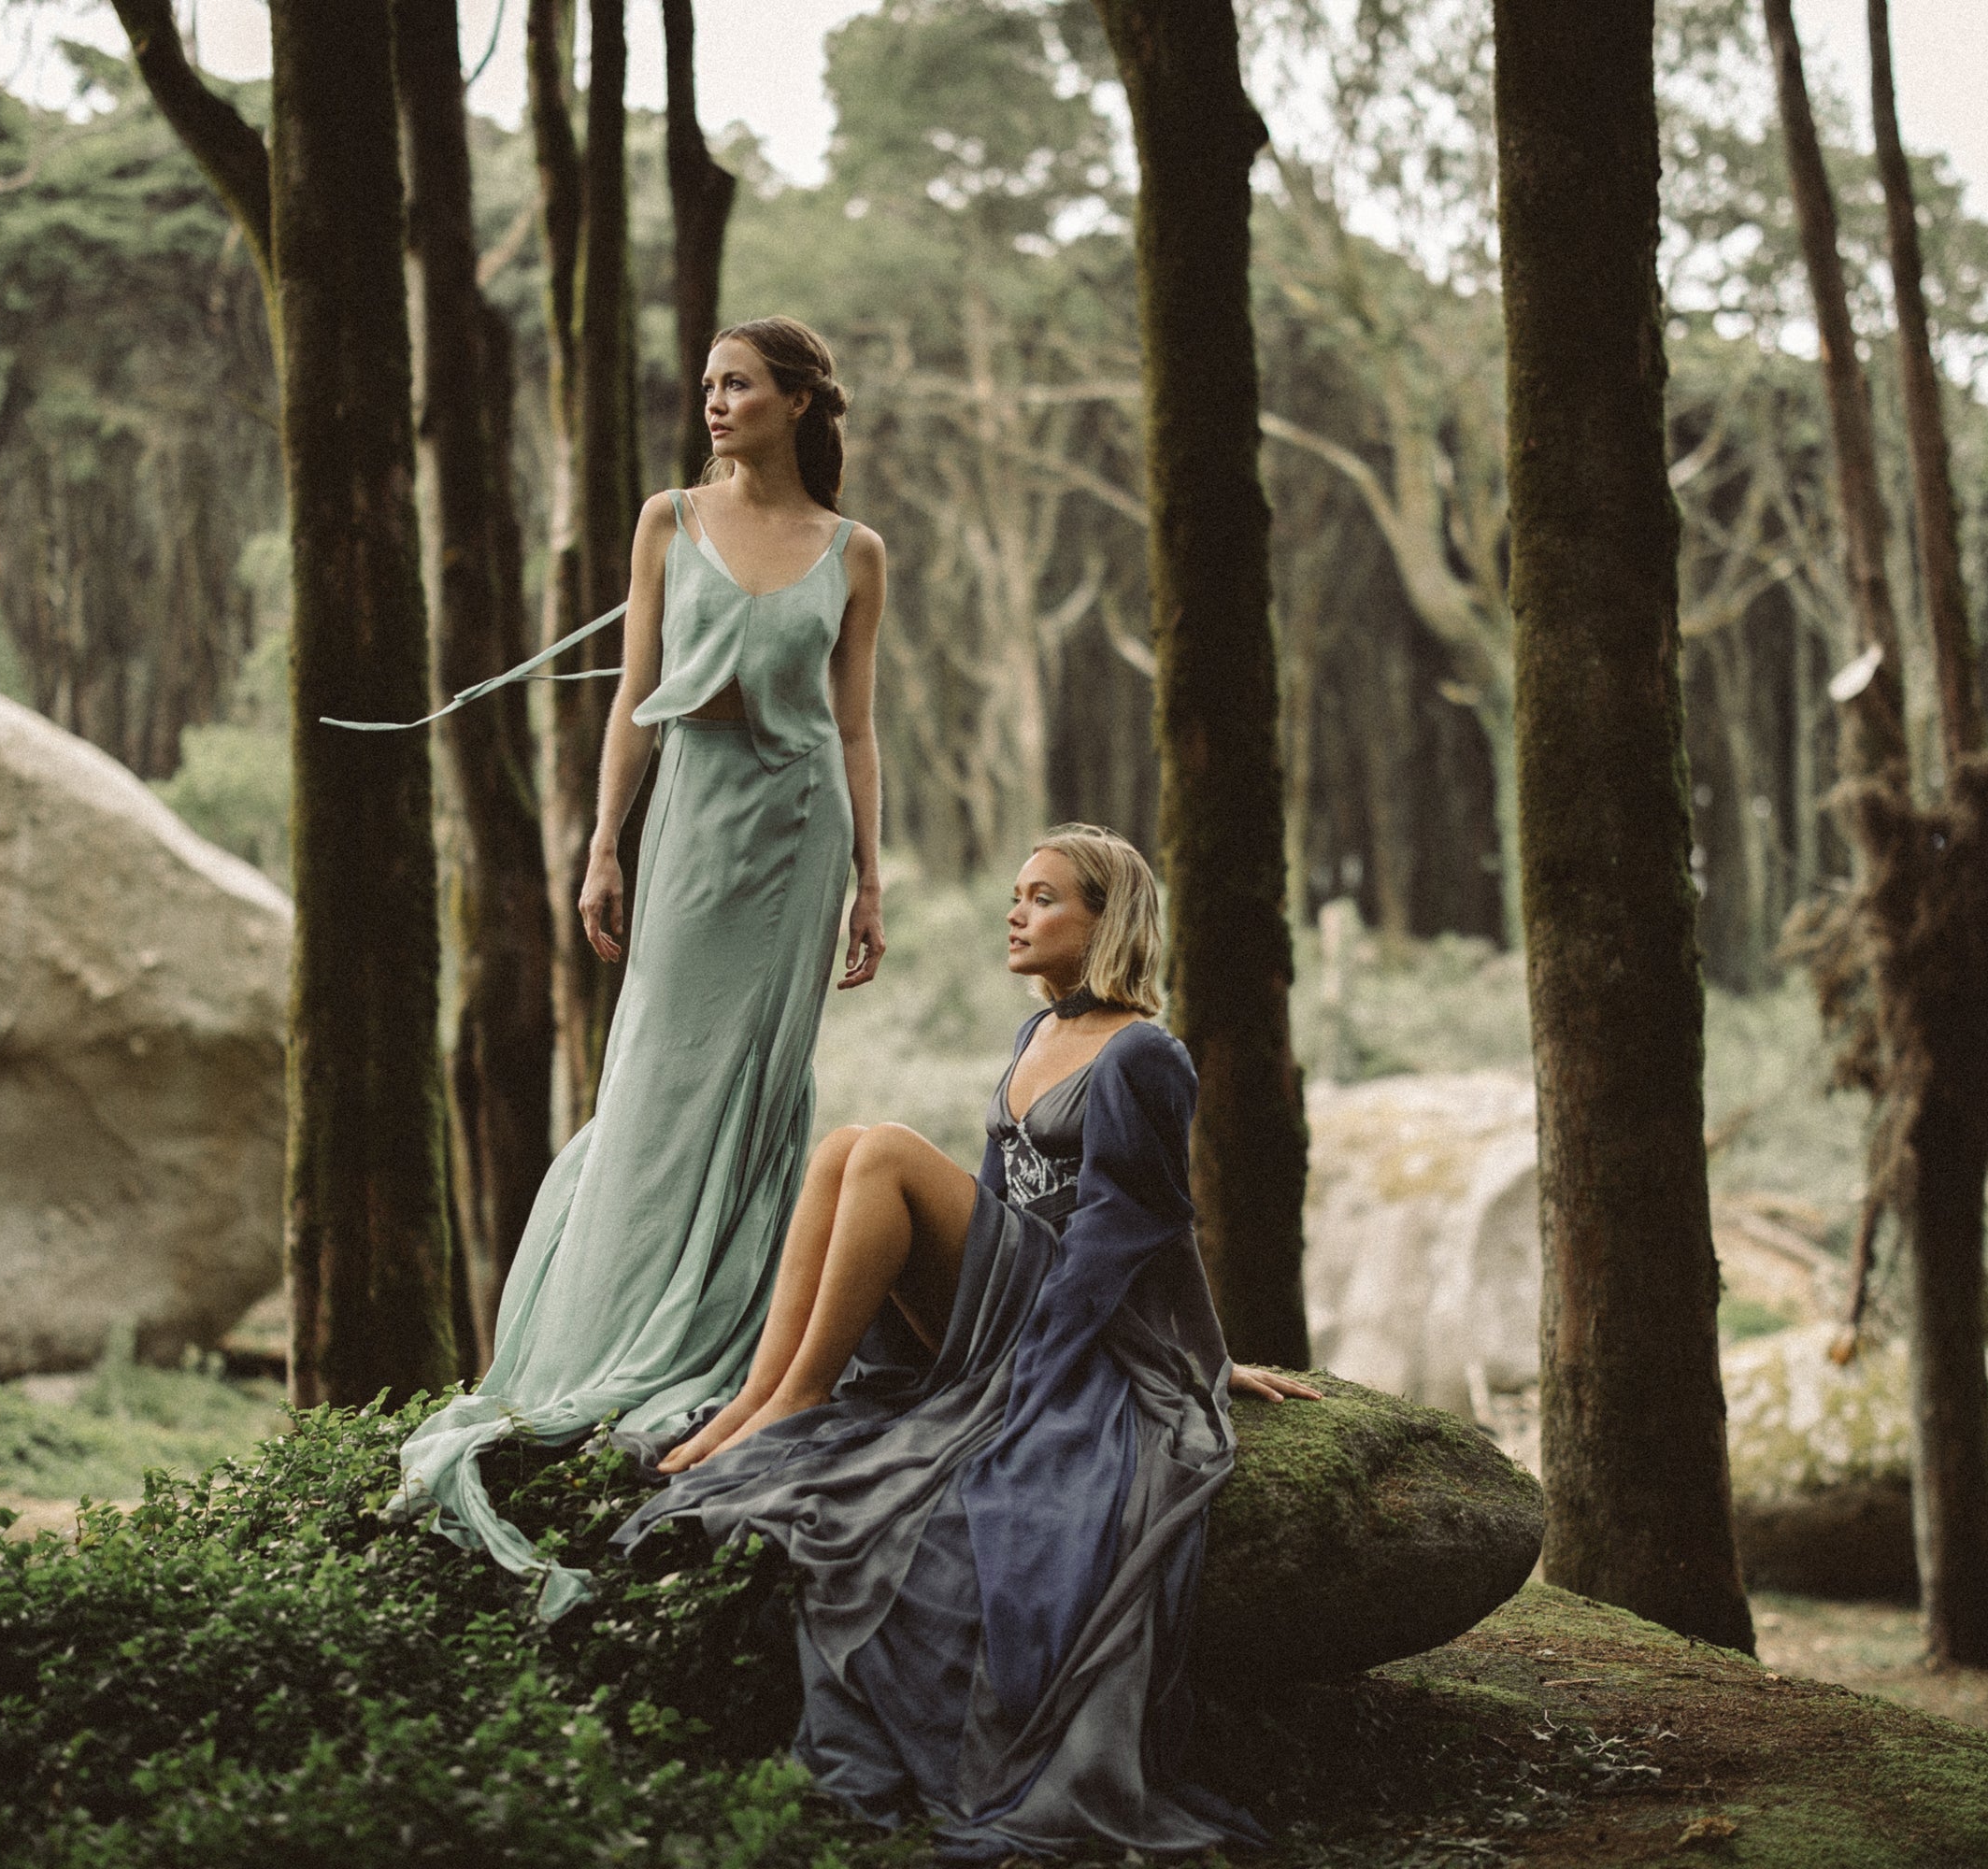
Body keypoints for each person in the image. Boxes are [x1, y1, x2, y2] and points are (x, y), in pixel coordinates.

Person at [619, 824, 1319, 1861]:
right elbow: (994, 1202)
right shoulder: (1038, 1038)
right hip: (1004, 1295)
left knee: (888, 1149)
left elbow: (1142, 1229)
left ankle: (796, 1397)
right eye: (1015, 894)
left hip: (1059, 1316)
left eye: (1044, 897)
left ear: (1104, 919)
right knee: (847, 1145)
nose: (1016, 912)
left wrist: (1188, 1360)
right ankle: (763, 1399)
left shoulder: (1144, 1055)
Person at [388, 317, 889, 1616]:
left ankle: (733, 1336)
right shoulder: (667, 520)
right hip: (693, 827)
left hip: (802, 838)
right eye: (711, 385)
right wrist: (603, 843)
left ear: (796, 403)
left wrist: (872, 881)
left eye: (739, 385)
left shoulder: (855, 552)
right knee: (658, 1078)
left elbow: (857, 726)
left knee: (756, 1089)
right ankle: (608, 1333)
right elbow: (633, 700)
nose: (715, 402)